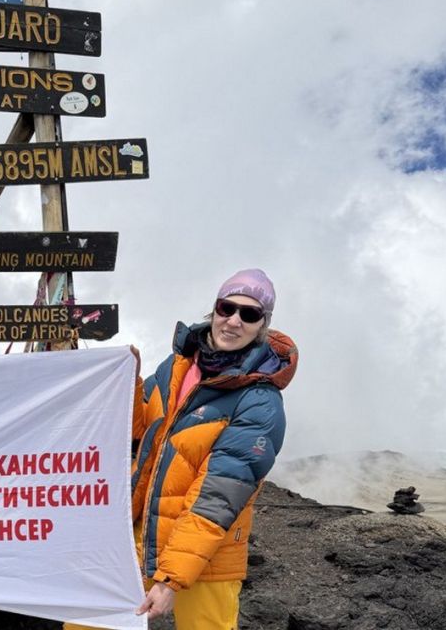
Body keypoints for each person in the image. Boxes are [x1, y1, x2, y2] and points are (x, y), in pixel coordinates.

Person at [65, 268, 297, 630]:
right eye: (227, 308)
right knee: (89, 623)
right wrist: (125, 383)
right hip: (140, 540)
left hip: (209, 561)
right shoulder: (176, 368)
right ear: (214, 310)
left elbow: (217, 498)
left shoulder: (260, 401)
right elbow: (138, 433)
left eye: (249, 314)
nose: (233, 321)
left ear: (262, 324)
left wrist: (172, 576)